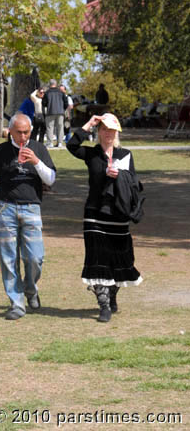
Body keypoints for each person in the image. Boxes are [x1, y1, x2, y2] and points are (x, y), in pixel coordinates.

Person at [66, 113, 143, 323]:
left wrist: (121, 176)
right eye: (104, 129)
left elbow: (135, 183)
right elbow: (71, 145)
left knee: (119, 259)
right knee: (97, 259)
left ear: (117, 132)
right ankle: (104, 306)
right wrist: (89, 124)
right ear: (99, 132)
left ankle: (112, 295)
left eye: (111, 130)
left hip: (118, 215)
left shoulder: (125, 154)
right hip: (94, 214)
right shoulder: (92, 154)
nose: (108, 134)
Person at [0, 113, 56, 320]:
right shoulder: (1, 150)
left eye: (27, 132)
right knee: (8, 259)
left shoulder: (39, 148)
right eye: (19, 132)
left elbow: (51, 178)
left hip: (31, 208)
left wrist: (36, 161)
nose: (23, 136)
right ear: (10, 131)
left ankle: (30, 289)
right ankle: (16, 303)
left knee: (35, 257)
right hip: (6, 208)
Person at [42, 79, 68, 148]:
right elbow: (66, 102)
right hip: (60, 112)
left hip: (50, 111)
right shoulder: (61, 92)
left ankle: (50, 143)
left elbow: (43, 103)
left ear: (49, 84)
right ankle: (59, 143)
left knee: (50, 127)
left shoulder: (47, 93)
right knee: (60, 128)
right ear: (56, 84)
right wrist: (63, 109)